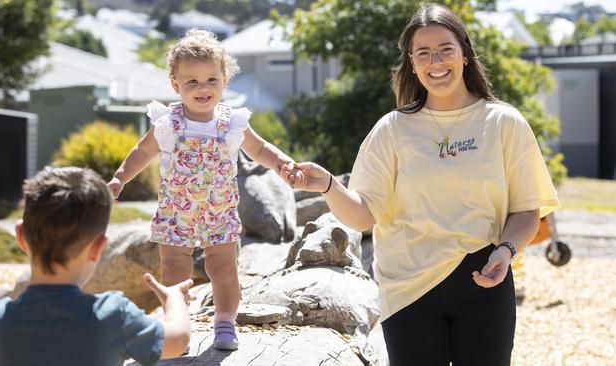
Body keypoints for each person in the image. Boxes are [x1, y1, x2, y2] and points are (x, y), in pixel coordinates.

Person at [281, 3, 559, 365]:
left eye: (445, 49)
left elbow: (526, 209)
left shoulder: (505, 123)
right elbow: (364, 218)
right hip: (408, 288)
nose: (436, 61)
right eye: (423, 53)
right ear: (412, 63)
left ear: (464, 55)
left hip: (484, 277)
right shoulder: (392, 129)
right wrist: (329, 186)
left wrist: (505, 252)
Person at [107, 29, 300, 351]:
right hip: (176, 210)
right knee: (174, 269)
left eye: (211, 79)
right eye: (192, 82)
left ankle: (225, 322)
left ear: (225, 80)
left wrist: (281, 163)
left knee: (223, 267)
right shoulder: (168, 121)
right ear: (175, 85)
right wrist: (120, 178)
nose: (203, 88)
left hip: (218, 209)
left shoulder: (232, 121)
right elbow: (142, 152)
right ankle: (176, 325)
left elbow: (260, 149)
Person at [0, 166, 193, 366]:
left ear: (20, 236)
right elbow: (179, 340)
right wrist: (174, 300)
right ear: (98, 248)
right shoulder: (113, 314)